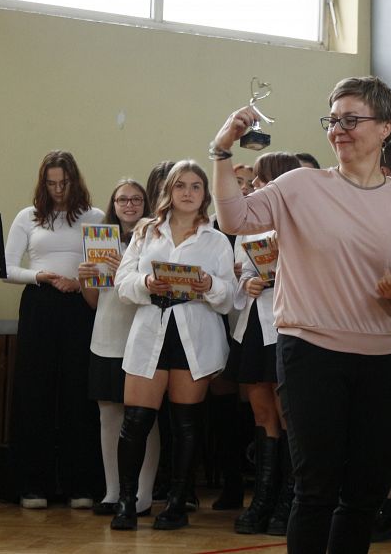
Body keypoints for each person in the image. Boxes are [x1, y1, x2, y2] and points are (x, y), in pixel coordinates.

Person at [210, 75, 391, 553]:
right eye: (332, 120)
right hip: (311, 351)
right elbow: (235, 219)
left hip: (384, 356)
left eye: (351, 120)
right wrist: (222, 151)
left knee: (366, 490)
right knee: (315, 488)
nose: (338, 130)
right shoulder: (300, 185)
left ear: (386, 127)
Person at [111, 160, 236, 531]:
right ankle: (126, 502)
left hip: (195, 334)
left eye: (196, 186)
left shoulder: (216, 239)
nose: (188, 192)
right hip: (151, 330)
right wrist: (146, 284)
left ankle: (178, 504)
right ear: (168, 190)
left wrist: (209, 285)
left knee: (185, 424)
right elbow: (122, 283)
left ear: (205, 194)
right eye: (180, 185)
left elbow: (230, 298)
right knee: (135, 421)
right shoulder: (146, 231)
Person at [4, 150, 104, 509]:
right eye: (51, 183)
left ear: (75, 181)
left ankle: (82, 484)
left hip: (80, 305)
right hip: (40, 303)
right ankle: (33, 483)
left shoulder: (95, 217)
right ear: (43, 183)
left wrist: (79, 283)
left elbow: (104, 268)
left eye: (64, 183)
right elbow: (6, 268)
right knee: (35, 390)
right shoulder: (28, 217)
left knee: (79, 392)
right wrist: (40, 276)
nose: (58, 190)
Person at [230, 152, 302, 536]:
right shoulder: (249, 222)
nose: (254, 186)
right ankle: (262, 498)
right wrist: (250, 281)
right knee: (262, 412)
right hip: (255, 324)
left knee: (287, 410)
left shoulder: (303, 219)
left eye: (260, 180)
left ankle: (289, 500)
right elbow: (241, 272)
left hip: (288, 324)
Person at [77, 180, 158, 517]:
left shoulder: (155, 238)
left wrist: (125, 265)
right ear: (113, 204)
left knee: (142, 418)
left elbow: (153, 286)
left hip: (141, 335)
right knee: (108, 416)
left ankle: (143, 494)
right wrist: (85, 278)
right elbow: (94, 302)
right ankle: (112, 491)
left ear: (145, 203)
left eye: (136, 199)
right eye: (122, 199)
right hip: (105, 336)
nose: (129, 205)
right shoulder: (100, 239)